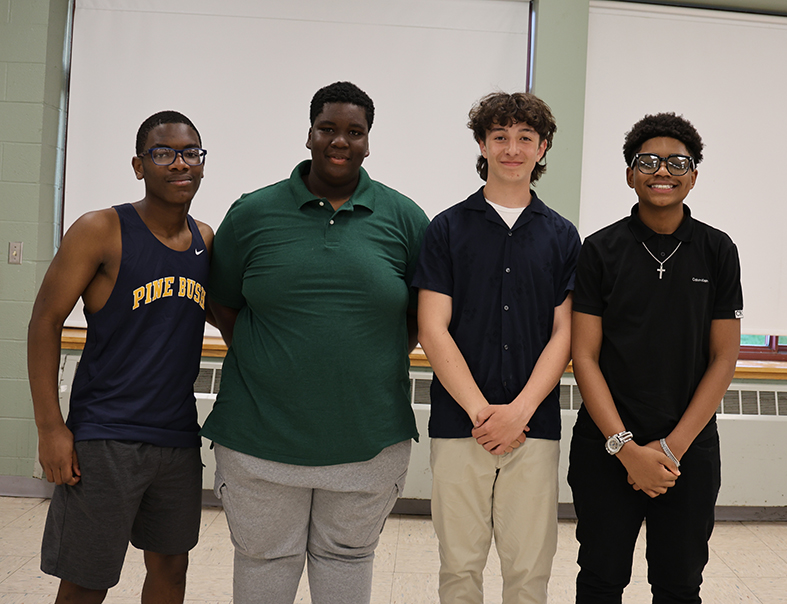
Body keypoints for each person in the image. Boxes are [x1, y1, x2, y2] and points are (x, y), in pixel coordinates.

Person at [201, 81, 429, 604]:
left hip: (367, 442)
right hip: (259, 441)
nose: (340, 141)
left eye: (355, 131)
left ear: (370, 141)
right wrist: (269, 359)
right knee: (264, 563)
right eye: (328, 128)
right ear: (309, 133)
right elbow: (224, 305)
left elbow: (422, 316)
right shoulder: (253, 214)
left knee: (346, 563)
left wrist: (370, 356)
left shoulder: (404, 219)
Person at [28, 111, 213, 603]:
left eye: (190, 153)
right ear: (138, 165)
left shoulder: (205, 239)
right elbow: (44, 323)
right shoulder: (100, 229)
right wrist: (51, 429)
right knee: (88, 581)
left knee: (172, 572)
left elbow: (233, 315)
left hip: (176, 438)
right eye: (163, 153)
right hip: (105, 436)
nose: (179, 164)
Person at [568, 113, 743, 603]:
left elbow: (724, 359)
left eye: (676, 162)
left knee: (680, 584)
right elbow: (584, 355)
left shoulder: (717, 250)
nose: (661, 170)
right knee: (600, 580)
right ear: (629, 174)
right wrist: (624, 448)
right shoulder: (600, 250)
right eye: (647, 161)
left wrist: (668, 451)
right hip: (606, 446)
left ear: (693, 174)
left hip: (688, 452)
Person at [413, 92, 581, 604]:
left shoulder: (562, 236)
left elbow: (565, 334)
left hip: (535, 430)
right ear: (482, 145)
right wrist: (484, 412)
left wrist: (519, 412)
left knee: (529, 572)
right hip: (458, 424)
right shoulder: (446, 228)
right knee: (459, 568)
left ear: (542, 148)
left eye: (524, 138)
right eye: (500, 137)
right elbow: (431, 328)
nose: (512, 149)